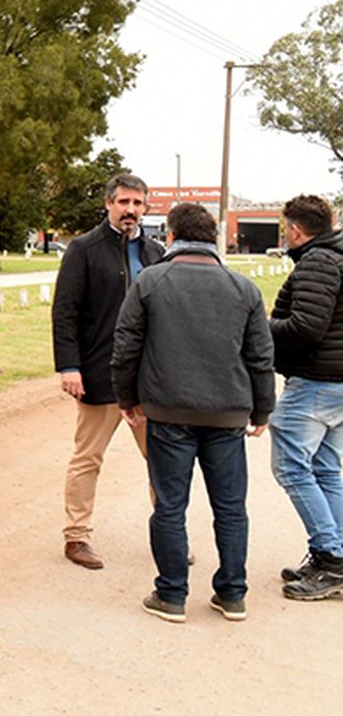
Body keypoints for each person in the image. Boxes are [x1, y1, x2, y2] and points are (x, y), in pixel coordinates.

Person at [111, 202, 273, 623]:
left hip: (168, 411)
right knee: (231, 507)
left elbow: (125, 347)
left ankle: (171, 594)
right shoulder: (244, 289)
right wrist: (262, 409)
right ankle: (233, 593)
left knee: (169, 505)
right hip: (227, 414)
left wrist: (127, 398)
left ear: (170, 234)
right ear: (213, 239)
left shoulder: (150, 281)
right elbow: (260, 356)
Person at [52, 173, 165, 569]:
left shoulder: (156, 252)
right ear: (109, 204)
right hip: (99, 375)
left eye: (137, 203)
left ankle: (168, 536)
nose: (130, 210)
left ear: (146, 207)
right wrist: (69, 366)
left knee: (162, 460)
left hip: (147, 380)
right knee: (88, 458)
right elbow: (64, 311)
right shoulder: (83, 249)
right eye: (123, 203)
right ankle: (76, 537)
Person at [267, 194, 343, 601]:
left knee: (293, 469)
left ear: (296, 230)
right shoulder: (335, 254)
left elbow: (307, 327)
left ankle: (331, 558)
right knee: (326, 469)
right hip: (336, 384)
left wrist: (264, 325)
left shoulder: (317, 260)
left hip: (315, 382)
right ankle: (334, 553)